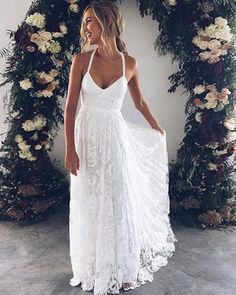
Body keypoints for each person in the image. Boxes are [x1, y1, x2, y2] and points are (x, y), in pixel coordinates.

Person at [64, 1, 178, 294]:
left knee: (117, 199)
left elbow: (139, 102)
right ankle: (93, 267)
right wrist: (70, 149)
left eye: (90, 20)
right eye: (84, 21)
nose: (85, 27)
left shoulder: (130, 63)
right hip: (86, 137)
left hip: (115, 139)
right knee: (90, 199)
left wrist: (157, 127)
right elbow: (71, 107)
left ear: (107, 22)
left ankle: (124, 267)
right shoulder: (81, 61)